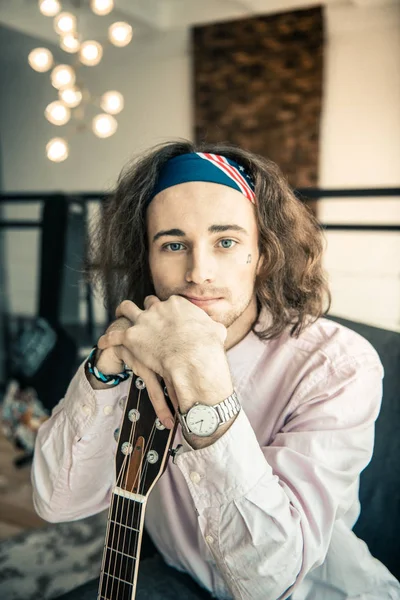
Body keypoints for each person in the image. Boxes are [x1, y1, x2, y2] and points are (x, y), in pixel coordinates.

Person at [31, 141, 400, 600]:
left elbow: (271, 579)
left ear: (263, 254)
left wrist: (198, 373)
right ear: (147, 258)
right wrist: (104, 371)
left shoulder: (338, 364)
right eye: (173, 244)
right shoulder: (136, 345)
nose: (198, 272)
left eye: (226, 242)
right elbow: (57, 502)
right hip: (185, 578)